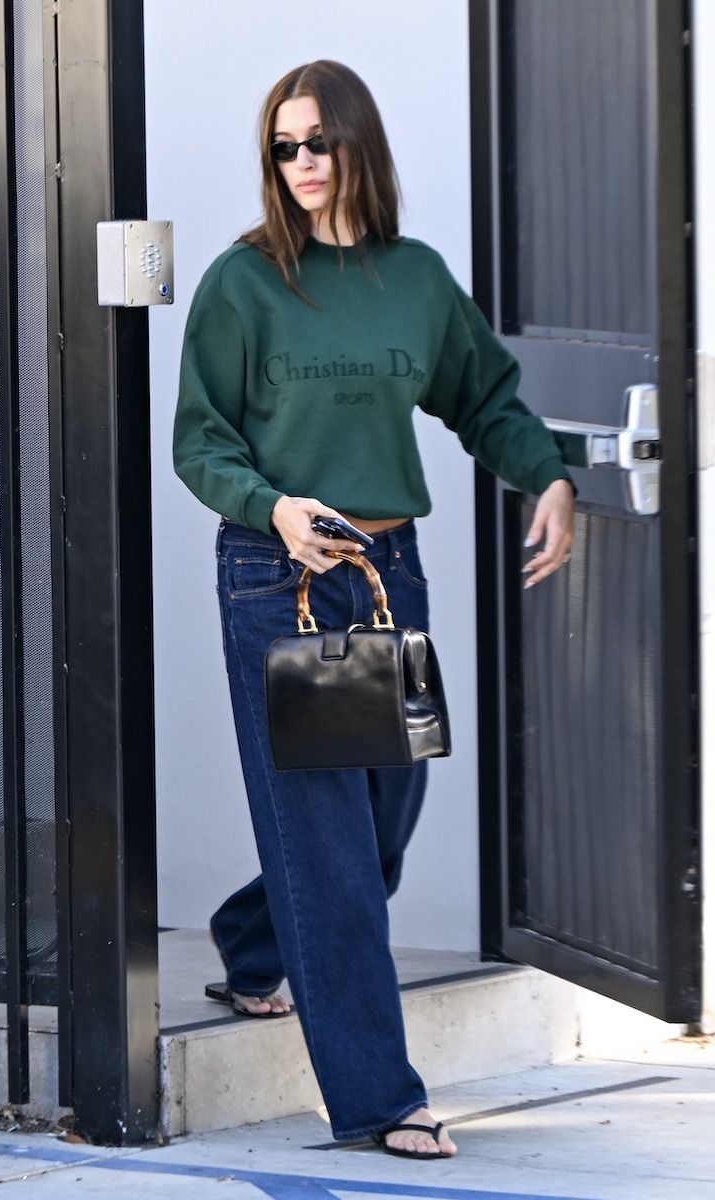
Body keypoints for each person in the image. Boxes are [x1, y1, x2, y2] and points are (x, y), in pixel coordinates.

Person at [173, 60, 574, 1160]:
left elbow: (483, 398)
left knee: (382, 821)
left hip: (388, 573)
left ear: (358, 144)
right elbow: (200, 440)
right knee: (330, 850)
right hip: (280, 577)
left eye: (317, 141)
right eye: (282, 146)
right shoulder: (243, 282)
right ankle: (378, 1099)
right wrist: (272, 506)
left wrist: (544, 474)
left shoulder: (414, 278)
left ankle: (252, 941)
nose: (299, 162)